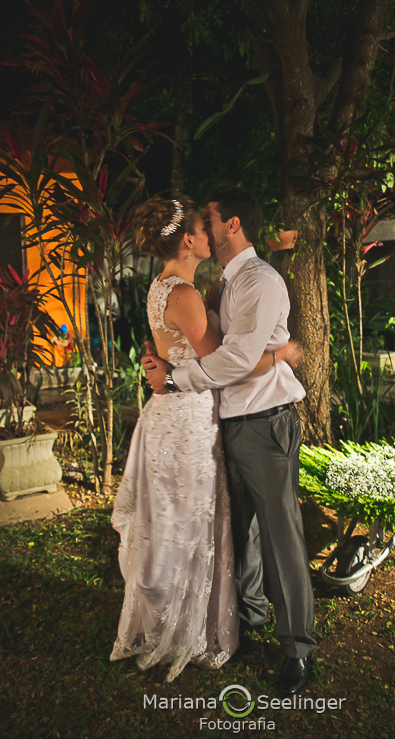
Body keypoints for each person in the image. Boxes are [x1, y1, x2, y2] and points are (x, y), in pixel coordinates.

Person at [110, 194, 299, 682]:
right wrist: (282, 356)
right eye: (203, 227)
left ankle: (291, 647)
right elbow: (220, 361)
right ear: (189, 239)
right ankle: (209, 621)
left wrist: (169, 372)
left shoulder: (212, 285)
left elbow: (217, 358)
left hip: (220, 418)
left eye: (212, 224)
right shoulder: (198, 291)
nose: (208, 234)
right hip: (200, 419)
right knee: (206, 531)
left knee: (217, 529)